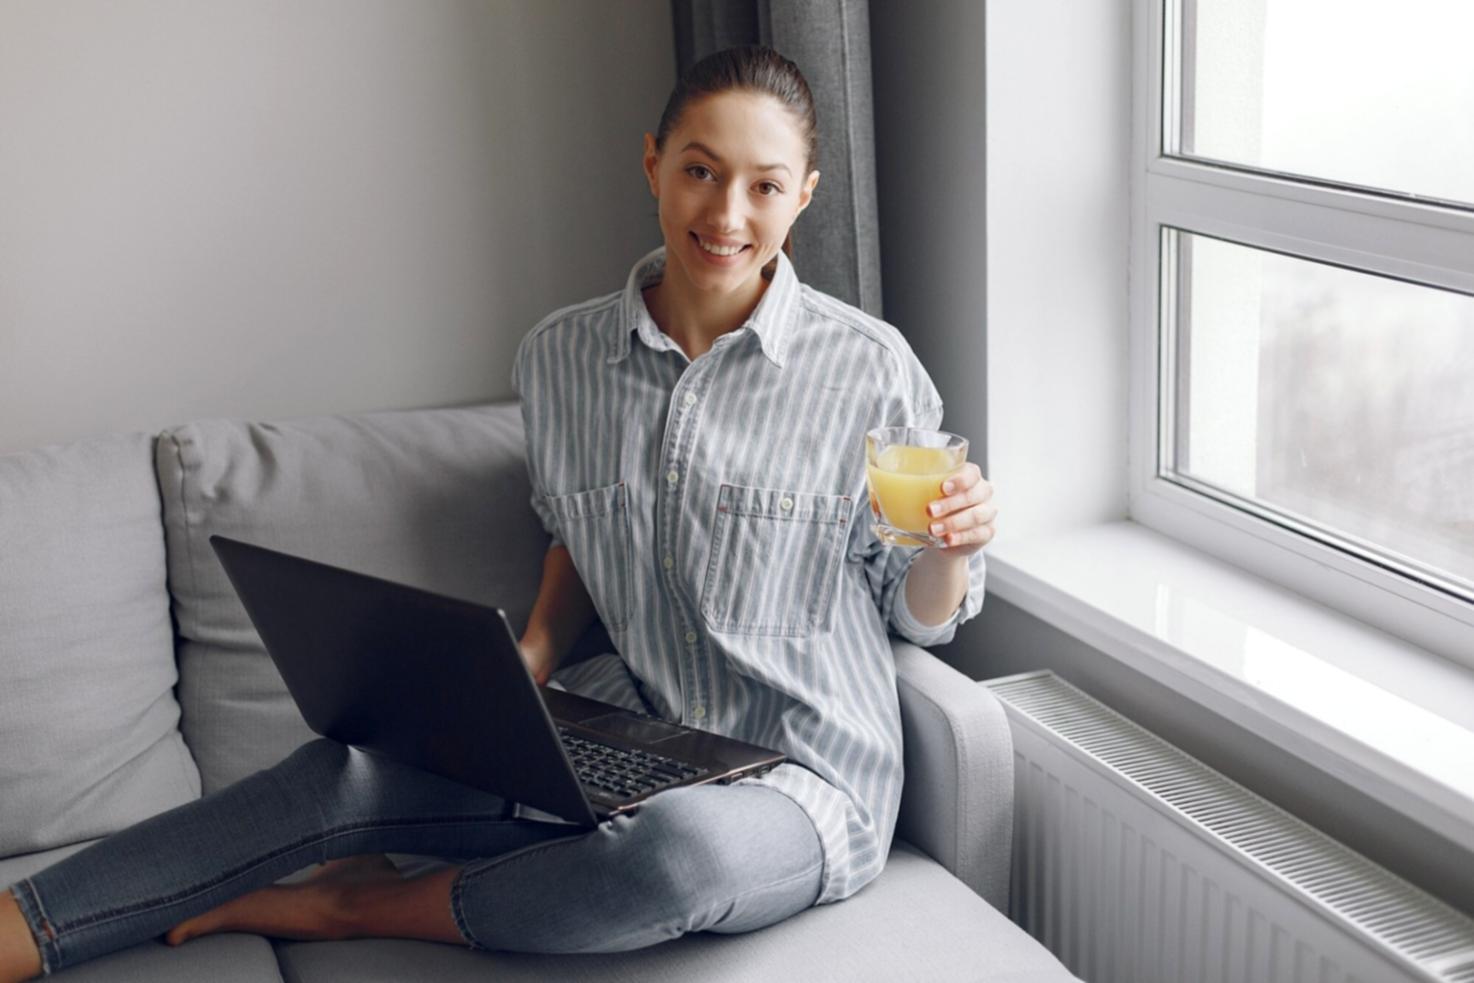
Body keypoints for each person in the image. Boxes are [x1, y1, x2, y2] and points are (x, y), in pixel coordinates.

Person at [0, 44, 994, 981]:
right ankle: (27, 928)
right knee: (344, 768)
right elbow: (580, 529)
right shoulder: (558, 360)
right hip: (630, 734)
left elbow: (916, 611)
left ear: (803, 197)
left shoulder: (867, 369)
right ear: (653, 165)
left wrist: (949, 545)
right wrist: (531, 654)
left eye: (765, 185)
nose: (727, 211)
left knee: (677, 858)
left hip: (801, 777)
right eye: (699, 169)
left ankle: (358, 907)